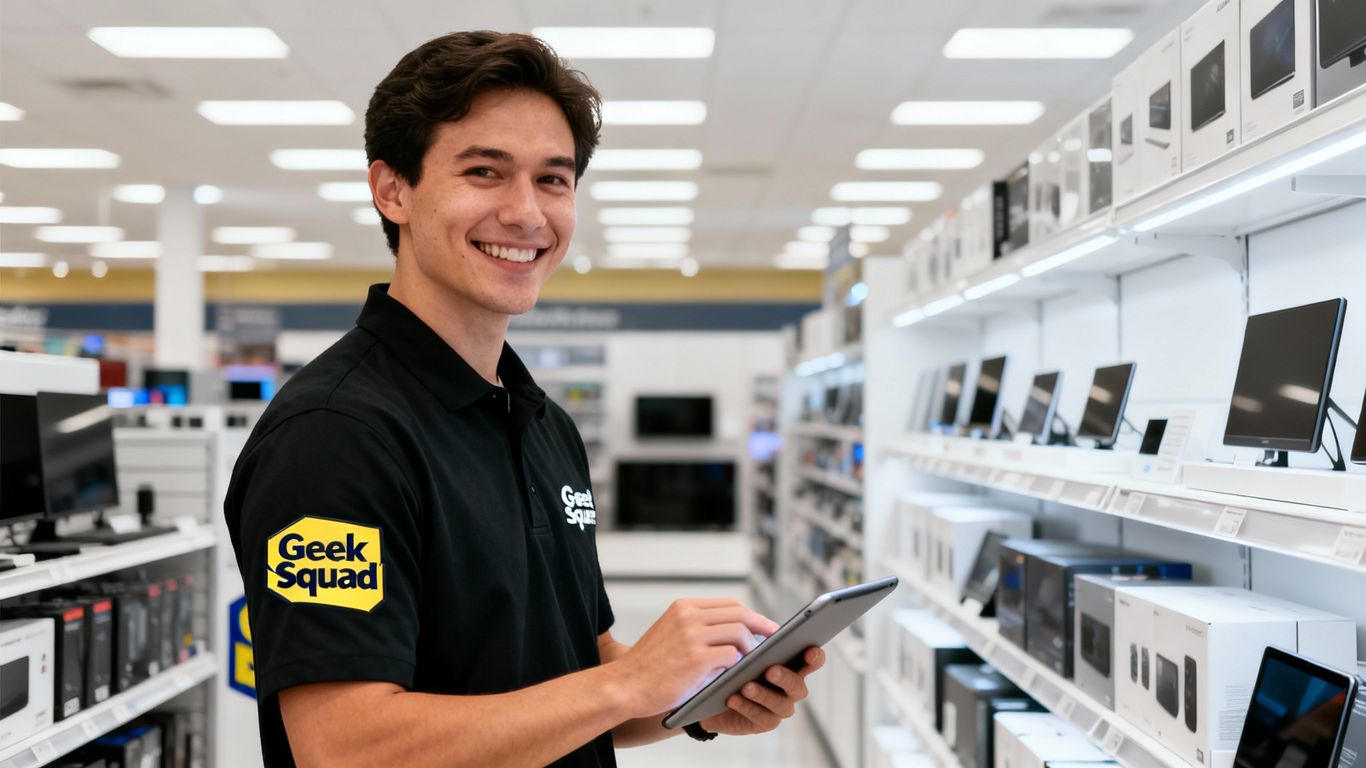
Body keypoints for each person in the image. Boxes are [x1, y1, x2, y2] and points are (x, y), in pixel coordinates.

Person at [223, 30, 825, 768]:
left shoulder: (542, 424)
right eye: (484, 171)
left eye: (553, 179)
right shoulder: (335, 434)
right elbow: (345, 747)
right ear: (393, 189)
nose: (526, 214)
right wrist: (630, 682)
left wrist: (696, 702)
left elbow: (579, 675)